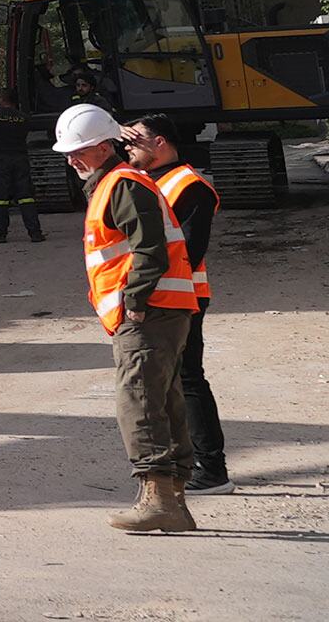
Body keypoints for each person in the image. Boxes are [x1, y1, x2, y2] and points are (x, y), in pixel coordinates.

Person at [51, 103, 203, 533]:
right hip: (162, 310)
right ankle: (173, 502)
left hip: (147, 311)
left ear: (103, 148)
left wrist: (133, 300)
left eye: (79, 151)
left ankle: (159, 500)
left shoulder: (121, 184)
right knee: (163, 400)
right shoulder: (115, 182)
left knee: (138, 400)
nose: (71, 159)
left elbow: (149, 247)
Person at [125, 119, 226, 492]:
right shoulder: (147, 181)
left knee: (188, 379)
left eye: (136, 141)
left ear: (161, 142)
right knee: (173, 382)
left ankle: (212, 469)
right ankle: (192, 464)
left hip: (184, 296)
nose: (128, 148)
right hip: (163, 294)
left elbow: (190, 250)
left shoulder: (188, 186)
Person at [0, 92, 43, 243]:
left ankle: (0, 235)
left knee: (0, 199)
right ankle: (35, 233)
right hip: (20, 158)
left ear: (2, 100)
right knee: (26, 197)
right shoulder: (23, 117)